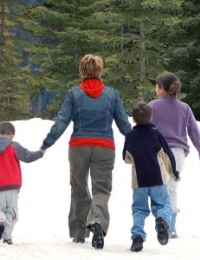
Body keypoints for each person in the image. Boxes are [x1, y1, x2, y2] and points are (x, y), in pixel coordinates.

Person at [40, 54, 132, 249]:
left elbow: (62, 121)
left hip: (79, 146)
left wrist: (47, 143)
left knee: (78, 187)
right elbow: (124, 124)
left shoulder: (74, 93)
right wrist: (137, 142)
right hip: (105, 147)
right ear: (100, 71)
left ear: (82, 71)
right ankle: (97, 219)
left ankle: (79, 232)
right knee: (102, 189)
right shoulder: (112, 94)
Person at [148, 71, 200, 238]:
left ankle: (163, 219)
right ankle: (171, 226)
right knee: (172, 188)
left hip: (158, 152)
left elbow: (143, 130)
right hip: (178, 154)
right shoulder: (185, 108)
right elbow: (195, 133)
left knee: (159, 187)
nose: (156, 88)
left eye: (157, 85)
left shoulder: (152, 106)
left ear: (161, 89)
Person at [123, 102, 180, 252]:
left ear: (134, 119)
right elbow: (167, 155)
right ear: (151, 117)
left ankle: (137, 238)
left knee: (139, 209)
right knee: (162, 205)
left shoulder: (130, 136)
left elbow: (126, 158)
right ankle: (162, 222)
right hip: (158, 179)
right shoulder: (156, 134)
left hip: (138, 181)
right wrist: (174, 173)